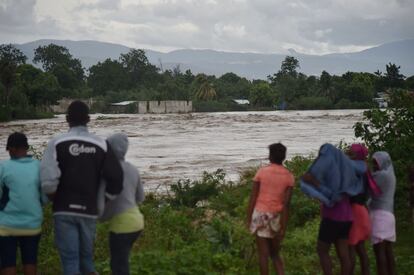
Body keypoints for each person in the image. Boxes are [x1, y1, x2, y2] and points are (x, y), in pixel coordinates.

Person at [40, 100, 124, 275]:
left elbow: (48, 182)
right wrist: (103, 199)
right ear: (88, 119)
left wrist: (58, 198)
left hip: (63, 209)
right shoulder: (101, 144)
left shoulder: (56, 143)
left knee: (70, 261)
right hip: (89, 210)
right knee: (86, 261)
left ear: (66, 119)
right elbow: (116, 179)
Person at [301, 144, 360, 275]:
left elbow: (334, 196)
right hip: (347, 217)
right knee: (343, 253)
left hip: (333, 217)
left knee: (322, 250)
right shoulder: (346, 172)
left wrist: (313, 182)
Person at [98, 133, 145, 275]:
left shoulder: (106, 171)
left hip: (121, 225)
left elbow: (102, 200)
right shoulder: (133, 169)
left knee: (118, 266)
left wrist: (98, 217)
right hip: (137, 222)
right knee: (121, 263)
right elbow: (140, 197)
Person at [0, 133, 45, 275]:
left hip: (7, 226)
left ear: (11, 149)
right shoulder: (39, 166)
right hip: (32, 224)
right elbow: (45, 196)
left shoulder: (3, 167)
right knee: (30, 262)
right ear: (26, 148)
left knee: (8, 263)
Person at [247, 143, 294, 275]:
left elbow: (253, 198)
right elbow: (286, 204)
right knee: (275, 254)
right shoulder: (289, 176)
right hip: (276, 216)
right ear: (283, 157)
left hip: (260, 214)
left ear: (270, 156)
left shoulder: (262, 172)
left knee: (263, 255)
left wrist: (249, 218)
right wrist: (283, 226)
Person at [369, 151, 396, 275]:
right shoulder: (391, 175)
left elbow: (367, 184)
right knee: (388, 250)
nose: (374, 166)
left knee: (379, 252)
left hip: (379, 216)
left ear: (382, 163)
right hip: (389, 215)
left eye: (376, 163)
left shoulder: (381, 176)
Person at [347, 144, 371, 275]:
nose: (348, 155)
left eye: (351, 154)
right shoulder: (365, 170)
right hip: (362, 210)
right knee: (361, 249)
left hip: (353, 211)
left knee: (350, 249)